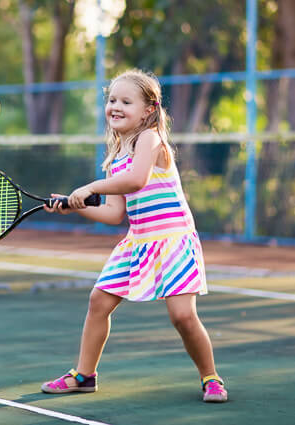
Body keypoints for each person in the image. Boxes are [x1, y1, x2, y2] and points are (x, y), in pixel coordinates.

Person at [41, 69, 228, 403]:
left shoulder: (150, 140)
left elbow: (138, 179)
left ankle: (211, 378)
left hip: (173, 239)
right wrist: (75, 207)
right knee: (99, 301)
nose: (116, 106)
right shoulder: (115, 159)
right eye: (112, 99)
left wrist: (90, 187)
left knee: (183, 316)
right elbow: (115, 214)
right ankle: (84, 375)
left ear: (148, 110)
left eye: (126, 101)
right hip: (137, 242)